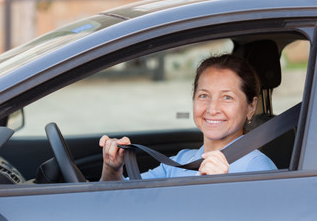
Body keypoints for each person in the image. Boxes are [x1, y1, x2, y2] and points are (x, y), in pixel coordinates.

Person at [99, 54, 277, 181]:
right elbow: (123, 198)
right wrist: (112, 169)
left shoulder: (257, 167)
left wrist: (223, 189)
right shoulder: (182, 161)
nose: (212, 108)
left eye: (227, 97)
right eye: (204, 96)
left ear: (251, 107)